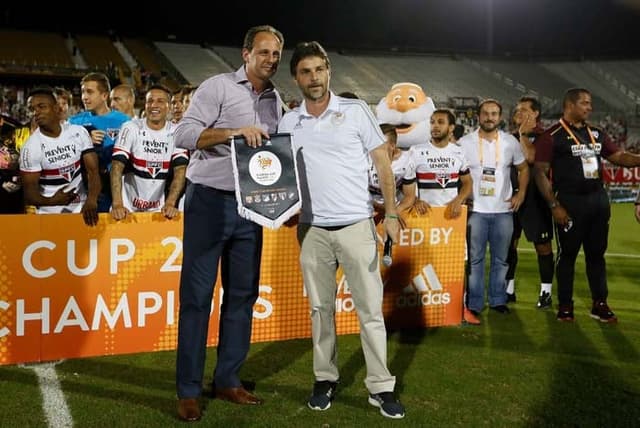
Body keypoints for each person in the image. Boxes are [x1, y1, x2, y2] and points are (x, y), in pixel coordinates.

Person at [278, 41, 405, 420]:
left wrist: (393, 213)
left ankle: (380, 387)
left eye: (319, 70)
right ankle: (324, 378)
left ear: (329, 71)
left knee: (370, 312)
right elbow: (282, 173)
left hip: (356, 225)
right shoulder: (289, 121)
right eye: (305, 71)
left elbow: (382, 161)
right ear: (296, 78)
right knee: (320, 310)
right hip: (312, 229)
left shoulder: (355, 111)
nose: (313, 78)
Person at [173, 25, 284, 422]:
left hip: (251, 207)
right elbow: (183, 134)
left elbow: (277, 157)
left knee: (242, 296)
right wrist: (236, 131)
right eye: (264, 52)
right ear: (246, 53)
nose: (271, 59)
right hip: (208, 202)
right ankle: (188, 390)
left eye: (276, 54)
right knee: (197, 299)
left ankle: (228, 380)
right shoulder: (217, 87)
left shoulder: (276, 102)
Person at [534, 88, 640, 323]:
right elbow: (540, 172)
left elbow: (619, 157)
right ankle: (565, 304)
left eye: (590, 103)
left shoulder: (597, 133)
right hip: (569, 203)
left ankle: (599, 303)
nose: (589, 108)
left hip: (598, 202)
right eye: (585, 103)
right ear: (569, 105)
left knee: (596, 255)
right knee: (567, 255)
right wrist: (554, 205)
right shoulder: (553, 135)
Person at [459, 99, 528, 319]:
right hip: (476, 211)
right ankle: (475, 303)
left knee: (501, 259)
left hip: (503, 211)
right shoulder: (464, 143)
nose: (490, 117)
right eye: (486, 113)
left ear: (500, 117)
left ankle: (498, 300)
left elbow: (524, 169)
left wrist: (521, 194)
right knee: (475, 259)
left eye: (495, 113)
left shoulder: (510, 142)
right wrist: (462, 197)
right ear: (478, 116)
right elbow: (456, 173)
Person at [410, 109, 474, 323]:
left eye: (440, 122)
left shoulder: (458, 153)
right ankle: (421, 310)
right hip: (424, 218)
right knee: (422, 264)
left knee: (458, 262)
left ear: (451, 128)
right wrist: (415, 199)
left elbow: (467, 183)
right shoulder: (416, 151)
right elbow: (406, 183)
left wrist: (458, 200)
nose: (435, 126)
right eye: (432, 122)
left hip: (451, 219)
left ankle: (460, 308)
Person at [19, 87, 100, 226]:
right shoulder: (30, 147)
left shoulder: (79, 132)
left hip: (82, 212)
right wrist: (53, 201)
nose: (35, 112)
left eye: (41, 107)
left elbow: (93, 172)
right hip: (48, 216)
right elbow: (29, 194)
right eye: (32, 109)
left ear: (56, 108)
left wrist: (91, 200)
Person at [504, 96, 554, 309]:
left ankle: (546, 292)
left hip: (537, 200)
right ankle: (508, 289)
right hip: (511, 198)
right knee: (509, 246)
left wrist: (523, 135)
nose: (520, 114)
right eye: (517, 110)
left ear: (536, 114)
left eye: (525, 110)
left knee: (542, 247)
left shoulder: (546, 137)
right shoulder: (507, 138)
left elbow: (531, 158)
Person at [110, 85, 188, 220]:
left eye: (160, 101)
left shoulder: (176, 131)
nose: (154, 105)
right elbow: (117, 166)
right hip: (127, 208)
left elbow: (180, 170)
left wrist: (170, 202)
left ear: (169, 106)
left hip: (160, 209)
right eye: (150, 101)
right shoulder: (131, 127)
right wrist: (117, 204)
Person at [69, 72, 129, 212]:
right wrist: (85, 141)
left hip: (116, 189)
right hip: (84, 189)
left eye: (89, 92)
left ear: (104, 95)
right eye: (83, 92)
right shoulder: (74, 122)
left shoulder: (124, 122)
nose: (84, 97)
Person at [368, 123, 416, 224]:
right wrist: (389, 211)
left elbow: (409, 196)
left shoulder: (406, 161)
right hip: (367, 209)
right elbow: (360, 194)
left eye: (380, 144)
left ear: (392, 146)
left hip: (394, 210)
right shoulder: (364, 159)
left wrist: (396, 211)